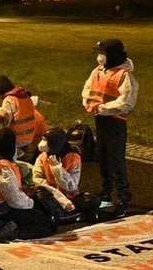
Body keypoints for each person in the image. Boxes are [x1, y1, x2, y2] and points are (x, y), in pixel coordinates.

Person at [82, 38, 139, 216]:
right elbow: (87, 87)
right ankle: (106, 192)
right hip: (101, 119)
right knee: (103, 157)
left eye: (103, 53)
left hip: (115, 122)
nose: (100, 57)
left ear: (112, 56)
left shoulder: (124, 75)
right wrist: (87, 101)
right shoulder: (98, 71)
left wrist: (103, 108)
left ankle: (123, 197)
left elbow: (127, 101)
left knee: (116, 160)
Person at [0, 128, 56, 242]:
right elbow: (15, 200)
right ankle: (15, 231)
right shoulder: (2, 167)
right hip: (1, 209)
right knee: (47, 227)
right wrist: (31, 202)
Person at [33, 127, 100, 222]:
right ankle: (72, 216)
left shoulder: (74, 158)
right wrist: (61, 200)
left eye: (45, 140)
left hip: (71, 198)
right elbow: (38, 180)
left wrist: (57, 169)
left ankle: (61, 215)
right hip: (52, 196)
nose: (41, 143)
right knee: (40, 194)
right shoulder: (42, 158)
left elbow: (71, 187)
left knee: (93, 200)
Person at [0, 75, 48, 160]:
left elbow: (5, 124)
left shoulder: (9, 100)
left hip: (18, 139)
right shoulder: (24, 95)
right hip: (30, 137)